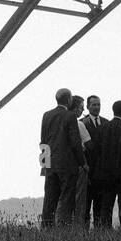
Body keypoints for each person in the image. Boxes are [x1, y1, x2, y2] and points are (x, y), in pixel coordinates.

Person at [40, 86, 86, 226]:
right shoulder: (70, 116)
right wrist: (82, 162)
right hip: (67, 164)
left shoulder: (46, 115)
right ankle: (63, 226)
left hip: (50, 162)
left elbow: (43, 140)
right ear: (69, 99)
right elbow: (75, 142)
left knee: (50, 197)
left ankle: (46, 226)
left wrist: (45, 163)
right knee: (67, 197)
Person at [92, 101, 121, 228]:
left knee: (106, 202)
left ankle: (104, 227)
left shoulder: (102, 127)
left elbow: (96, 150)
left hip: (105, 172)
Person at [82, 95, 107, 226]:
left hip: (102, 172)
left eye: (98, 104)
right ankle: (84, 229)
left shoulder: (106, 122)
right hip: (88, 169)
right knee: (85, 204)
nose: (97, 107)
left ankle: (98, 228)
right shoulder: (82, 123)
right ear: (88, 106)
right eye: (94, 105)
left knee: (99, 204)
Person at [70, 95, 93, 225]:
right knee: (79, 198)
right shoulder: (79, 124)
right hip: (79, 164)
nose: (82, 111)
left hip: (61, 164)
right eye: (81, 108)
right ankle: (78, 225)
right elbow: (89, 145)